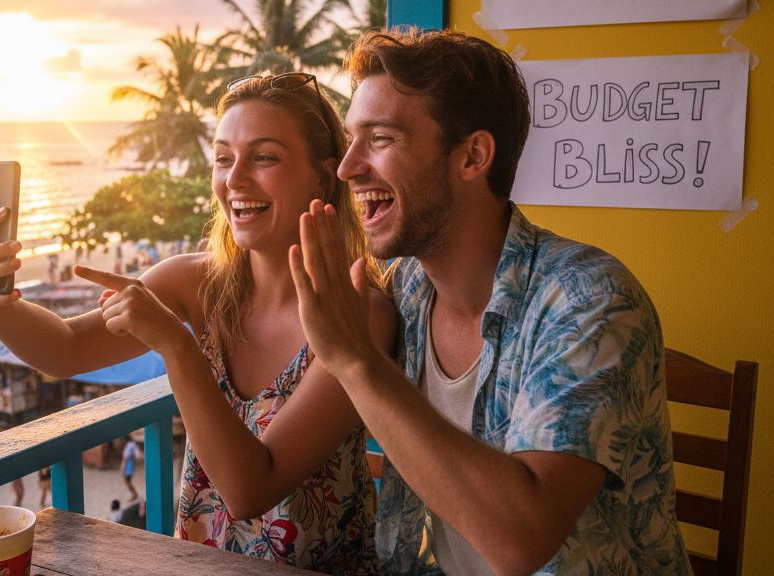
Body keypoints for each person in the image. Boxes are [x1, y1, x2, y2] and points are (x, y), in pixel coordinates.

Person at [0, 71, 396, 574]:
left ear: (323, 176)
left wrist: (175, 345)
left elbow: (251, 489)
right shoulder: (196, 281)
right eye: (223, 159)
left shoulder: (359, 315)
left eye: (264, 157)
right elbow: (67, 348)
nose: (235, 179)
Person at [289, 29, 690, 576]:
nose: (347, 168)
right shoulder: (404, 288)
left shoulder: (592, 302)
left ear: (473, 156)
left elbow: (521, 540)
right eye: (351, 140)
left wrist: (357, 362)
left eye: (380, 139)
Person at [120, 435, 139, 502]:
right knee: (128, 480)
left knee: (127, 481)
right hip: (131, 463)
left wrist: (122, 468)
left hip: (128, 465)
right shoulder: (133, 444)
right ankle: (134, 494)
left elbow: (125, 458)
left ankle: (134, 494)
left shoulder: (128, 446)